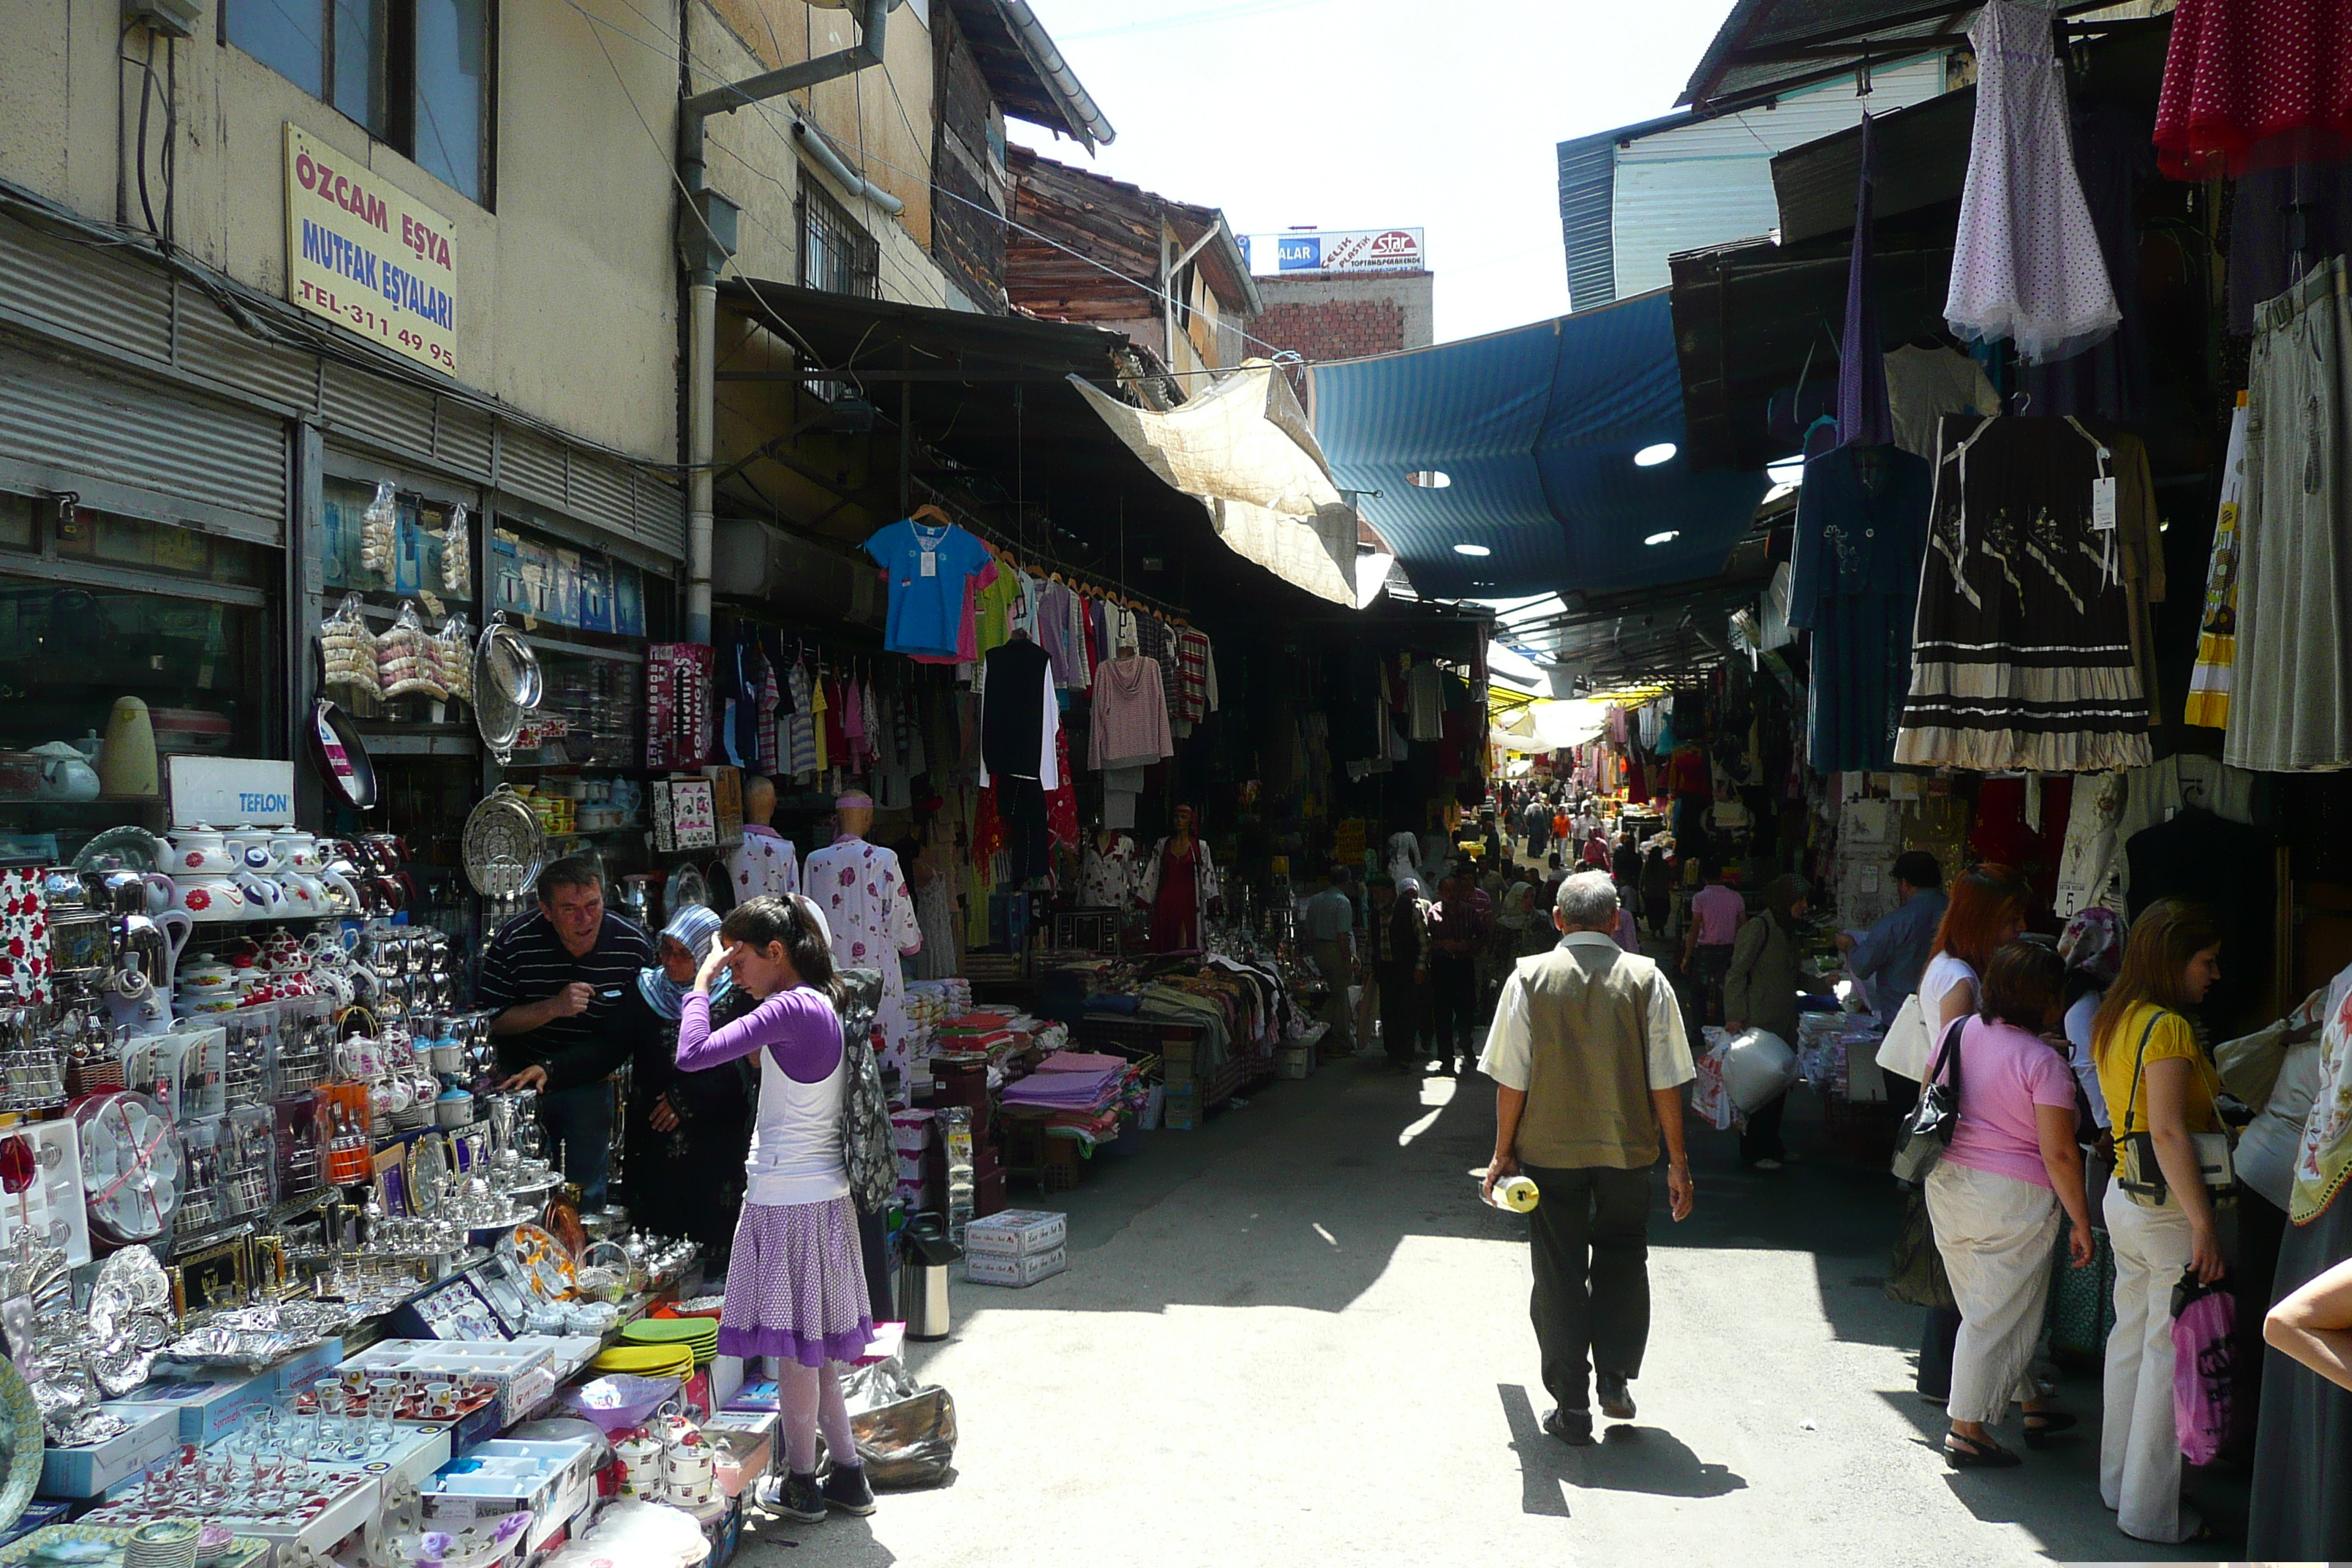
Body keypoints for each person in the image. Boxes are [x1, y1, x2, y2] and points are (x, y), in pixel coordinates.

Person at [677, 894, 877, 1526]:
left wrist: (700, 984)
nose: (731, 968)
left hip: (789, 1198)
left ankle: (800, 1481)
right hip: (822, 1196)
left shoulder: (788, 1008)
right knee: (811, 1351)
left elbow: (692, 1052)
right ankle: (846, 1472)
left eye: (738, 958)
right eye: (724, 960)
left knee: (793, 1353)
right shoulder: (823, 999)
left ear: (777, 952)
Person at [1480, 870, 1696, 1446]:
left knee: (1558, 1270)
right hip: (1627, 1151)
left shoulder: (1528, 978)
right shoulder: (1647, 980)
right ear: (1615, 919)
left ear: (1557, 920)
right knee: (1624, 1256)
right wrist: (1678, 1161)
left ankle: (1571, 1404)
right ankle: (1616, 1381)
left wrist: (1503, 1154)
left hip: (1549, 1152)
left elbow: (1511, 1079)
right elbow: (1667, 1080)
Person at [1924, 942, 2094, 1468]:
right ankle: (1966, 1429)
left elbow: (1931, 1093)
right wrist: (2082, 1220)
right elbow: (2061, 1152)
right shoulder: (2045, 1063)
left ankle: (2031, 1402)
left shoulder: (1958, 1032)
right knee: (1995, 1314)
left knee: (1989, 1305)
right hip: (2012, 1197)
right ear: (2047, 1002)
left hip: (1947, 1181)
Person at [2089, 898, 2225, 1545]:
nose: (2214, 974)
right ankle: (2149, 1512)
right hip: (2167, 1207)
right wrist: (2204, 1225)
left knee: (2132, 1341)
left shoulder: (2116, 1016)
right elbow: (2169, 1131)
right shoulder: (2168, 1028)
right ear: (2174, 961)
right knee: (2167, 1357)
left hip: (2124, 1192)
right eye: (2206, 961)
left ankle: (2119, 1484)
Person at [1909, 865, 2027, 1402]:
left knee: (1959, 1267)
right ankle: (1947, 1382)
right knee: (1964, 1275)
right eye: (2009, 922)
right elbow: (1956, 1058)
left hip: (1955, 1131)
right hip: (1963, 1131)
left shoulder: (1945, 965)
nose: (2018, 931)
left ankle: (1983, 1388)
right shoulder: (1960, 978)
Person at [478, 857, 655, 1208]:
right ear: (545, 910)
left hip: (591, 1078)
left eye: (593, 905)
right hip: (520, 1082)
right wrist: (553, 1008)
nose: (585, 919)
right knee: (520, 1195)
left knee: (583, 1194)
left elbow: (635, 1031)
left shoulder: (632, 945)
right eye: (570, 909)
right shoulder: (514, 942)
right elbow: (492, 1021)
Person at [620, 906, 755, 1263]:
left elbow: (743, 1061)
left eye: (683, 954)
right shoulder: (647, 991)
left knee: (714, 1233)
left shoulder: (738, 995)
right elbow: (610, 1045)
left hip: (715, 1136)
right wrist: (550, 1069)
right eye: (666, 949)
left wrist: (687, 1097)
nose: (669, 961)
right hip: (654, 1140)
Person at [1722, 873, 1833, 1169]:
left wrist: (1826, 985)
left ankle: (1772, 1145)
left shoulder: (1787, 930)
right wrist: (1735, 1015)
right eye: (1799, 901)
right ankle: (1756, 1150)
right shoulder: (1759, 928)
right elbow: (1737, 973)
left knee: (1778, 1086)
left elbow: (1793, 975)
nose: (1803, 907)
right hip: (1760, 1022)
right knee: (1760, 1088)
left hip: (1783, 1022)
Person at [1835, 851, 1948, 1025]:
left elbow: (1863, 966)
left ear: (1904, 884)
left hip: (1902, 1019)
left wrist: (1850, 946)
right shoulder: (1957, 916)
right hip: (1948, 1017)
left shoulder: (1898, 922)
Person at [1365, 874, 1428, 1073]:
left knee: (1406, 1011)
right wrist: (1368, 969)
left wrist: (1420, 967)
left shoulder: (1411, 908)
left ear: (1390, 892)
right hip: (1385, 970)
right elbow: (1371, 943)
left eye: (1378, 892)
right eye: (1373, 893)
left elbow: (1425, 941)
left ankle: (1406, 1054)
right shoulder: (1376, 913)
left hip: (1407, 969)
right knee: (1388, 1011)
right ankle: (1392, 1053)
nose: (1375, 897)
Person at [1427, 874, 1483, 1076]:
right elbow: (1426, 941)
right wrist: (1443, 944)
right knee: (1442, 1014)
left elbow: (1482, 936)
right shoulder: (1433, 914)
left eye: (1454, 890)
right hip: (1442, 967)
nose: (1451, 895)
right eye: (1446, 890)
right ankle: (1446, 1060)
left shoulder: (1470, 913)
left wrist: (1467, 945)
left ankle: (1466, 1043)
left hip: (1463, 965)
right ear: (1440, 892)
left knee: (1466, 1010)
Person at [1302, 867, 1357, 1055]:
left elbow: (1308, 931)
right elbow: (1343, 936)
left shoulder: (1315, 900)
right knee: (1340, 994)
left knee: (1336, 994)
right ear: (1346, 881)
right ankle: (1327, 1035)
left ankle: (1330, 1035)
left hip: (1318, 950)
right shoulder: (1342, 902)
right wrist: (1347, 960)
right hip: (1334, 949)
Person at [1681, 864, 1745, 1026]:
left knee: (1699, 992)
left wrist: (1687, 957)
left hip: (1706, 951)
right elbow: (1743, 927)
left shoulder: (1700, 898)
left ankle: (1698, 1032)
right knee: (1726, 991)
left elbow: (1695, 929)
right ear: (1722, 876)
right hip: (1729, 950)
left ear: (1704, 878)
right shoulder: (1736, 897)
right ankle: (1724, 1027)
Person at [1639, 837, 1674, 938]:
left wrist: (1641, 890)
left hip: (1650, 894)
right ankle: (1661, 927)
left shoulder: (1648, 865)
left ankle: (1654, 930)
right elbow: (1670, 877)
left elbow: (1642, 878)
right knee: (1663, 912)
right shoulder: (1665, 865)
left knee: (1652, 913)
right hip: (1663, 893)